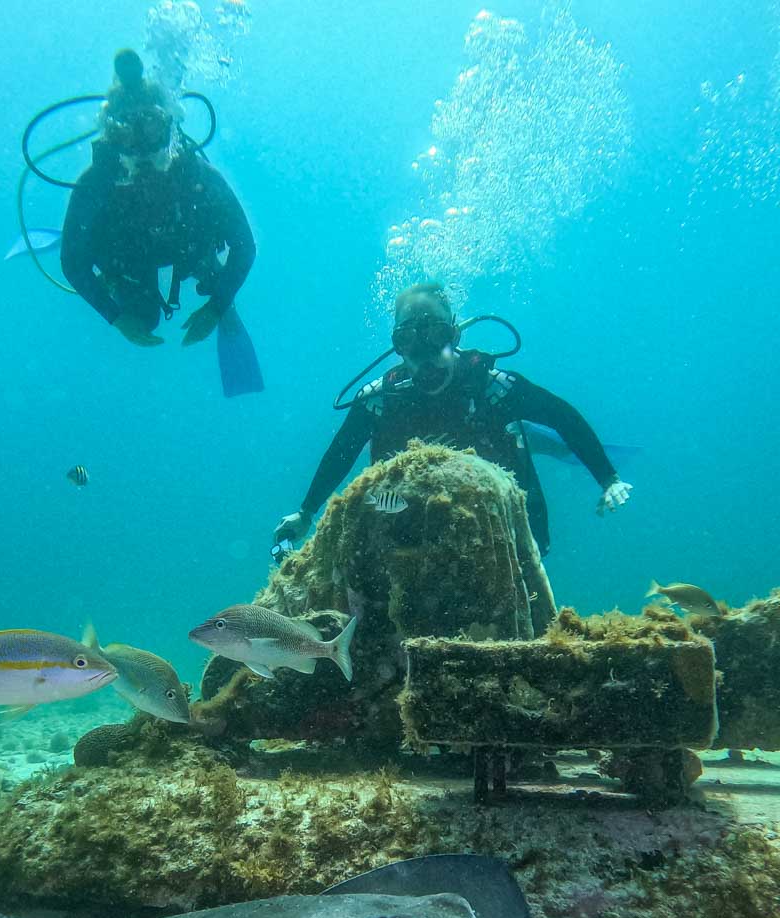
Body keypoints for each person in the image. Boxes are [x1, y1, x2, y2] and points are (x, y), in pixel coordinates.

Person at [273, 282, 632, 556]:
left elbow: (562, 415)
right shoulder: (381, 401)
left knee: (530, 441)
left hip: (498, 526)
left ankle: (538, 444)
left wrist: (608, 477)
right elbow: (341, 452)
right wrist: (305, 513)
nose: (425, 353)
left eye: (437, 335)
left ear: (454, 334)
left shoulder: (493, 387)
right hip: (415, 534)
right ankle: (537, 442)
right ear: (398, 346)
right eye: (408, 339)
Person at [60, 49, 261, 394]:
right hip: (127, 262)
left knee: (215, 277)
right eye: (125, 131)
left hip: (190, 253)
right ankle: (116, 284)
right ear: (111, 136)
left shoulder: (200, 178)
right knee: (143, 318)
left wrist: (216, 307)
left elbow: (245, 246)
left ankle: (222, 302)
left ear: (169, 125)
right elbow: (72, 263)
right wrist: (117, 318)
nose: (139, 144)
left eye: (150, 125)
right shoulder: (94, 185)